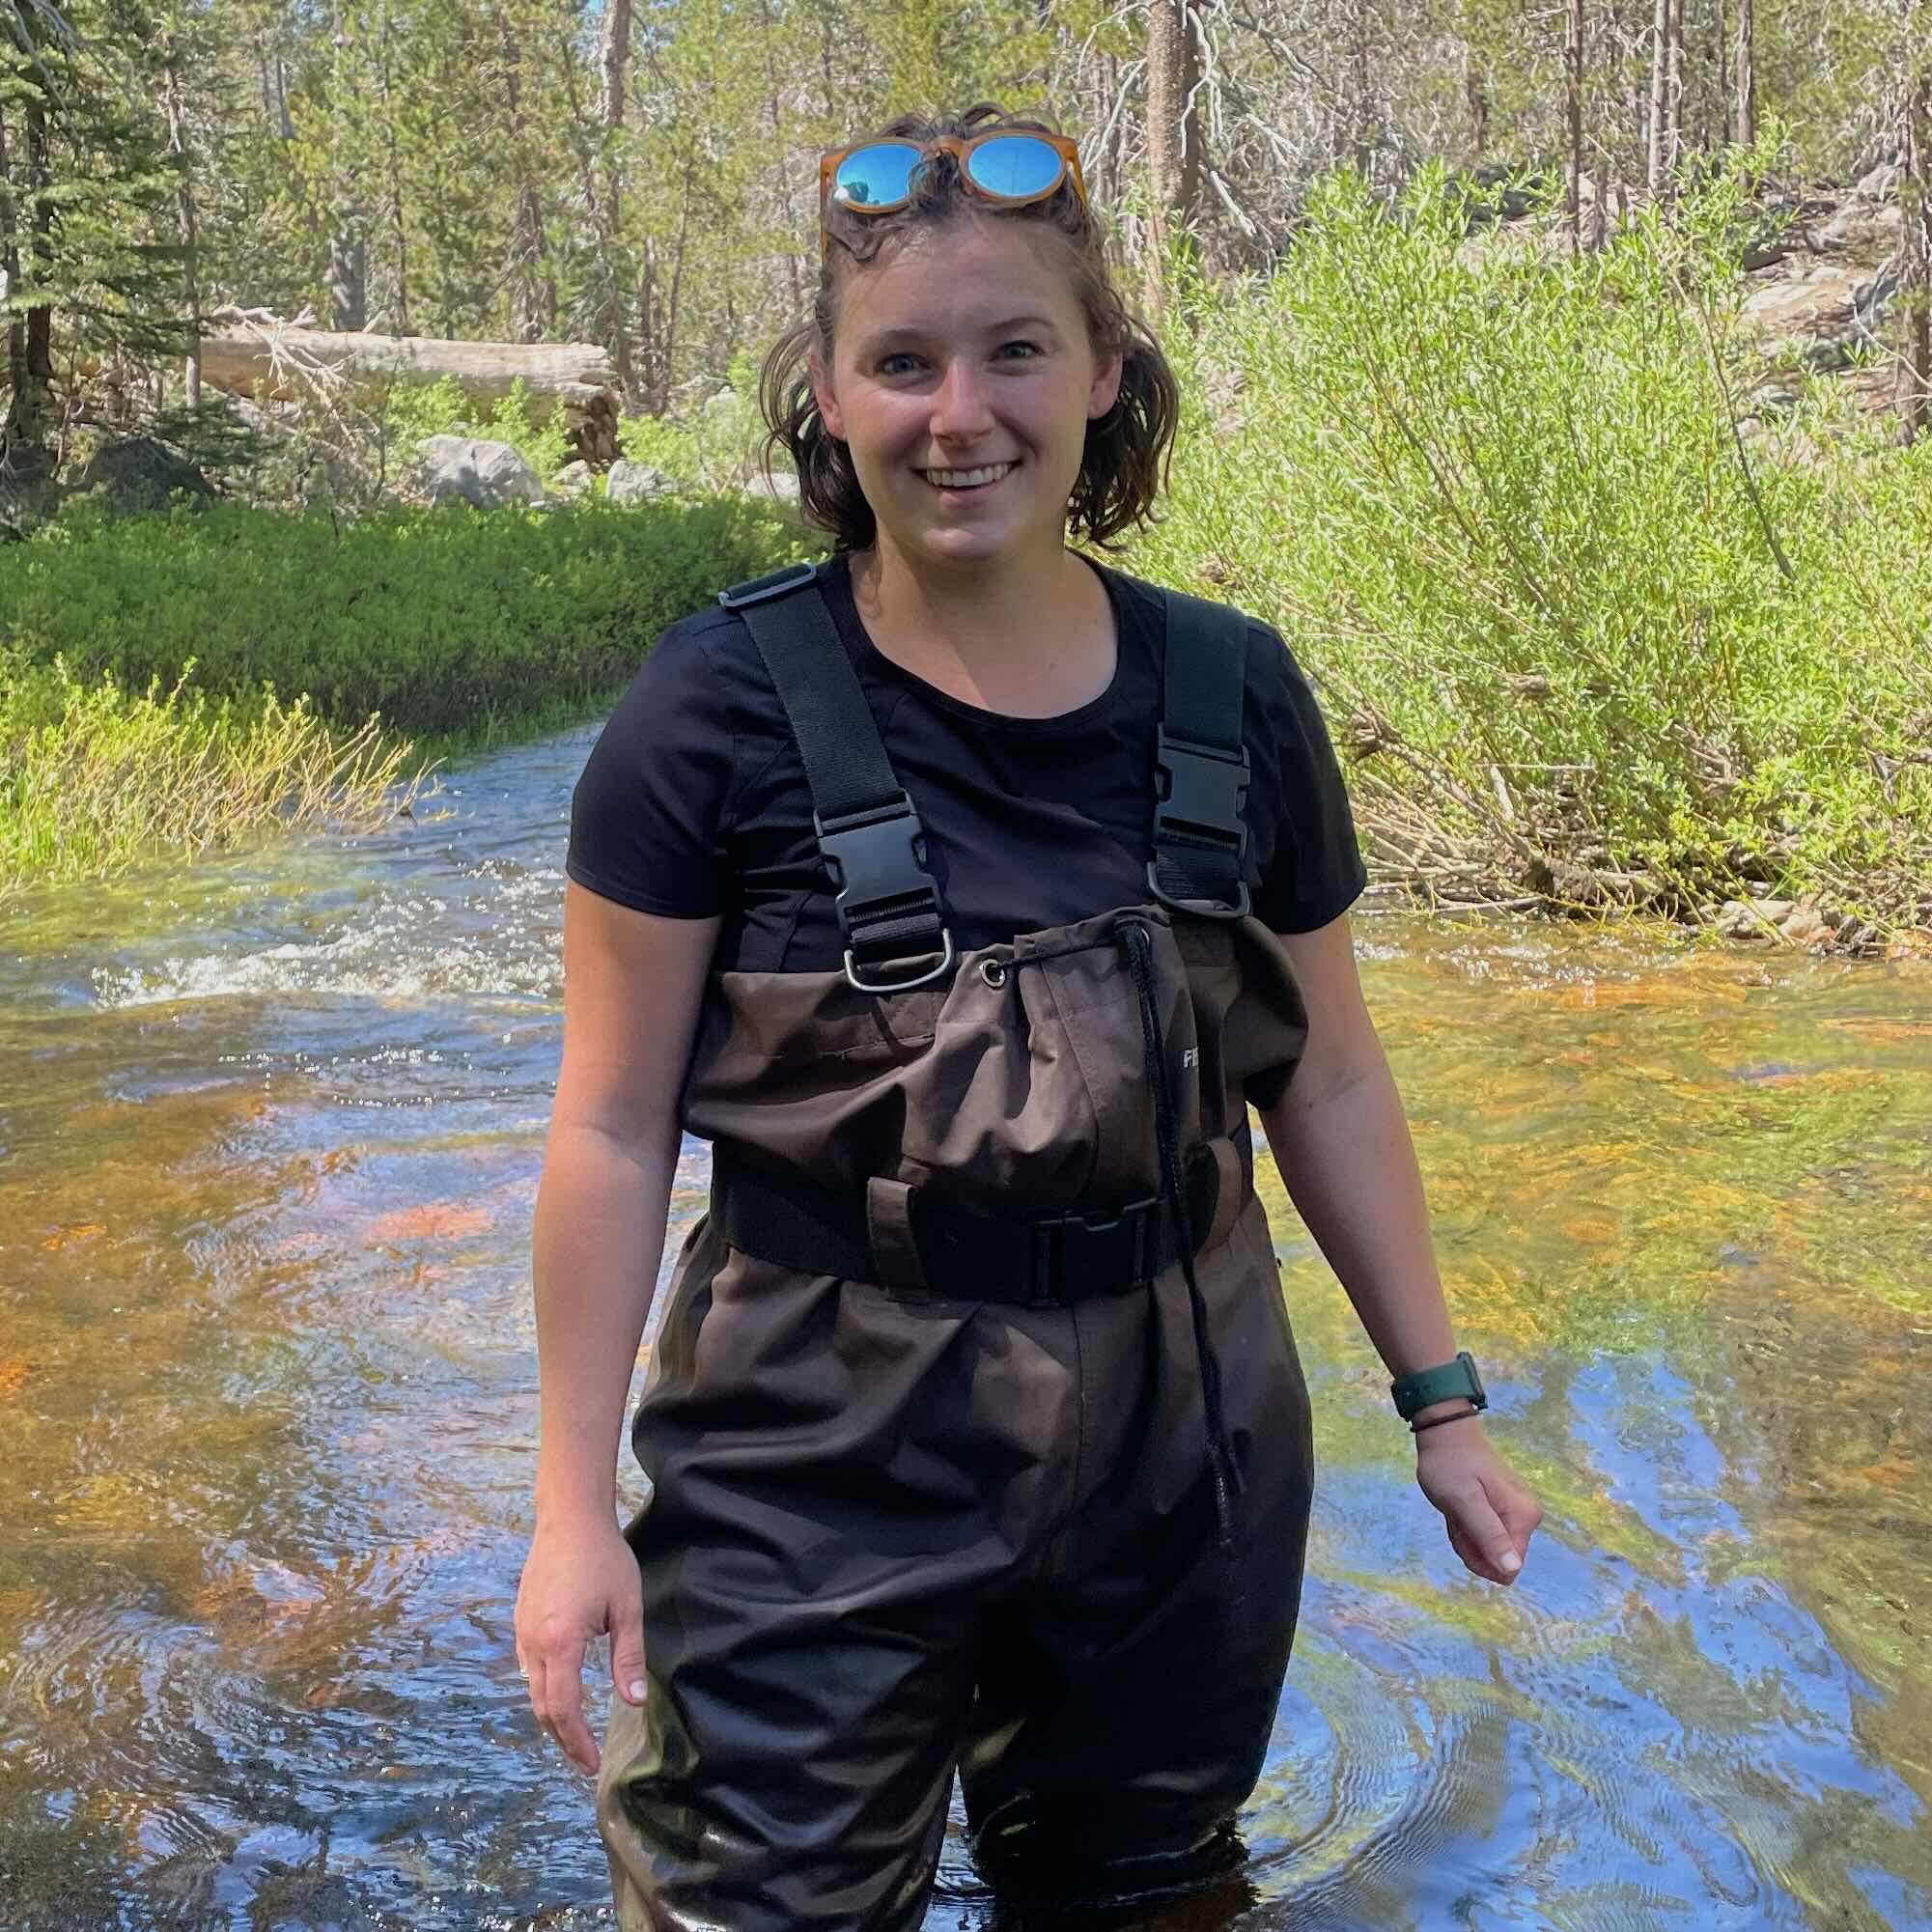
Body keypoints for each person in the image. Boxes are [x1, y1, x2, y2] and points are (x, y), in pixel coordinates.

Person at [517, 100, 1543, 1932]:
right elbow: (605, 1127)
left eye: (1012, 351)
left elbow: (1327, 1076)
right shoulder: (708, 711)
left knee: (1148, 1894)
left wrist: (1440, 1401)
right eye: (901, 363)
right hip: (811, 1453)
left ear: (1102, 372)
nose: (958, 414)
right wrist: (569, 1508)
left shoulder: (1235, 692)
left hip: (1188, 1434)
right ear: (828, 394)